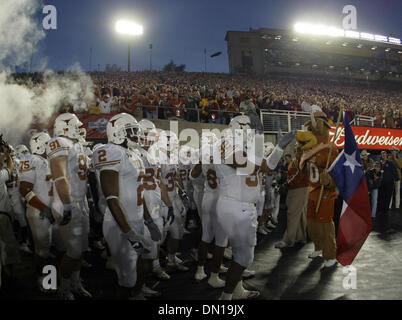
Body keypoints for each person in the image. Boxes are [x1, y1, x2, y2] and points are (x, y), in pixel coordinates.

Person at [93, 113, 161, 299]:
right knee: (126, 277)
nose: (135, 136)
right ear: (116, 132)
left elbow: (139, 192)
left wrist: (148, 219)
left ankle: (137, 293)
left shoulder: (133, 154)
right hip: (120, 223)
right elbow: (112, 197)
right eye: (130, 131)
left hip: (137, 217)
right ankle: (129, 292)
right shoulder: (110, 151)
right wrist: (128, 231)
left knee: (145, 259)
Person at [46, 113, 92, 299]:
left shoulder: (77, 145)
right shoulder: (57, 142)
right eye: (77, 125)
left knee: (81, 250)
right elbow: (60, 176)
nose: (81, 128)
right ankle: (63, 288)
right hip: (68, 201)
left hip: (80, 201)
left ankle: (75, 282)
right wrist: (66, 205)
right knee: (73, 251)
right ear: (65, 127)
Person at [19, 132, 54, 293]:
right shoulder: (30, 159)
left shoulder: (47, 161)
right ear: (41, 145)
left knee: (50, 248)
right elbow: (25, 190)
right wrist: (45, 208)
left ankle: (52, 278)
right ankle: (42, 279)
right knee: (42, 250)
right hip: (38, 211)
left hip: (50, 211)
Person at [377, 150, 399, 232]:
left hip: (389, 184)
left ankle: (385, 212)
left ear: (387, 155)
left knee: (387, 198)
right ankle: (381, 213)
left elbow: (395, 173)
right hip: (381, 184)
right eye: (382, 154)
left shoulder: (390, 164)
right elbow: (376, 173)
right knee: (381, 198)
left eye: (385, 153)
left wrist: (397, 179)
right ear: (381, 155)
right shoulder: (379, 163)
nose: (384, 155)